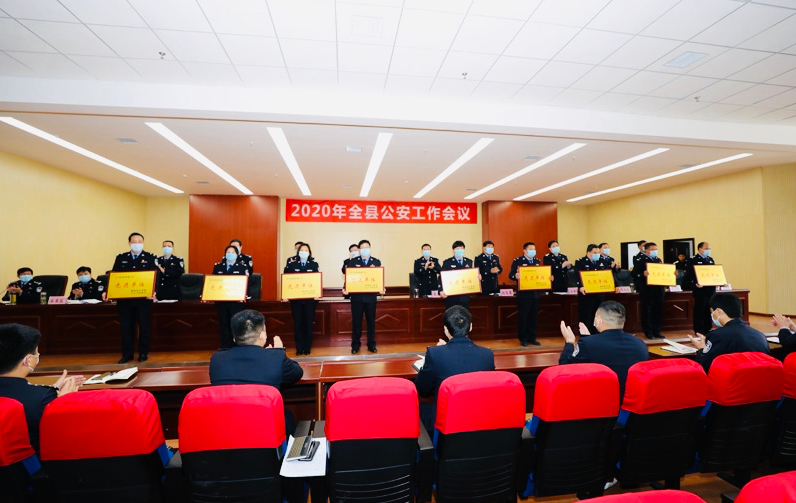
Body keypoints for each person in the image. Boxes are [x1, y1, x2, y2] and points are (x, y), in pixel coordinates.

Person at [209, 310, 303, 435]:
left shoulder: (216, 360)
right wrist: (279, 351)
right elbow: (297, 373)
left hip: (228, 431)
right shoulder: (275, 358)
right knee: (288, 416)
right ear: (263, 336)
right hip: (265, 433)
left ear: (234, 338)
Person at [0, 324, 85, 453]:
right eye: (36, 353)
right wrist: (62, 403)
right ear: (28, 360)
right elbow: (62, 438)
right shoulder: (43, 400)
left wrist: (52, 389)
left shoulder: (42, 396)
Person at [415, 306, 495, 434]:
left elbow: (422, 388)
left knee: (418, 407)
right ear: (471, 327)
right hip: (478, 423)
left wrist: (441, 351)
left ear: (445, 329)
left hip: (446, 427)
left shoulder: (435, 354)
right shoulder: (487, 355)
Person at [558, 301, 648, 398]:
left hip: (602, 402)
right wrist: (587, 338)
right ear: (623, 321)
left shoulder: (588, 344)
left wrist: (570, 342)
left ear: (598, 320)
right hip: (633, 401)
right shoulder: (640, 344)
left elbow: (565, 367)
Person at [687, 293, 770, 373]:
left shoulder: (717, 336)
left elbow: (704, 365)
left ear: (719, 312)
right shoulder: (760, 335)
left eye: (712, 312)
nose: (711, 315)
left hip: (732, 381)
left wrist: (702, 349)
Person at [108, 233, 159, 363]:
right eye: (134, 242)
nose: (137, 244)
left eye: (140, 241)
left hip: (143, 300)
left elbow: (156, 277)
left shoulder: (150, 257)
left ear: (143, 243)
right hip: (125, 301)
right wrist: (109, 292)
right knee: (126, 328)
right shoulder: (121, 258)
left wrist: (154, 292)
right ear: (129, 243)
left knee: (144, 327)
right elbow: (114, 276)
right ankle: (127, 354)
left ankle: (143, 353)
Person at [342, 239, 383, 354]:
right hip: (357, 297)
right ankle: (355, 345)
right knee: (356, 322)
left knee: (371, 322)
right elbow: (348, 276)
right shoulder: (353, 261)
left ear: (370, 248)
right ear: (359, 250)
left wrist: (381, 287)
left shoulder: (376, 262)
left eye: (367, 247)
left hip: (371, 297)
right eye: (363, 248)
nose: (365, 249)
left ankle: (371, 344)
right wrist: (346, 288)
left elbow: (378, 278)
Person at [509, 242, 550, 346]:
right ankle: (523, 338)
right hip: (523, 295)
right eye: (531, 249)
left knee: (533, 317)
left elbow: (540, 275)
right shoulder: (518, 261)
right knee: (523, 317)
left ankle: (532, 338)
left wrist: (548, 278)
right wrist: (515, 276)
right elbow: (511, 275)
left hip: (535, 294)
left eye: (534, 249)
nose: (533, 251)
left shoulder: (537, 261)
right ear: (525, 250)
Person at [284, 243, 320, 355]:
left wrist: (317, 293)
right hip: (296, 301)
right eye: (302, 250)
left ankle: (307, 348)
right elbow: (287, 280)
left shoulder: (314, 265)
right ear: (298, 252)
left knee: (308, 324)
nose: (304, 252)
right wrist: (285, 294)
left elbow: (317, 280)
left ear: (309, 253)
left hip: (310, 301)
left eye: (306, 250)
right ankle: (299, 348)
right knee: (298, 324)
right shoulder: (292, 265)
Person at [212, 245, 249, 349]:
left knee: (236, 324)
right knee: (224, 324)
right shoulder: (218, 267)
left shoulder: (242, 267)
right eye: (228, 252)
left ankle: (237, 347)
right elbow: (213, 282)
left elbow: (246, 283)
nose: (230, 254)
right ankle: (225, 347)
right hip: (222, 301)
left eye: (233, 252)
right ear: (225, 254)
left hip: (236, 302)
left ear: (237, 255)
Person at [632, 242, 665, 339]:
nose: (655, 251)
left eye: (656, 249)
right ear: (646, 250)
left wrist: (672, 273)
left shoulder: (658, 260)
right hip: (647, 290)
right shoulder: (640, 260)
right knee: (647, 312)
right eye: (652, 249)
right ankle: (648, 332)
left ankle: (656, 331)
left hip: (659, 289)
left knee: (657, 311)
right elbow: (634, 273)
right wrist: (643, 274)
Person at [575, 244, 610, 334]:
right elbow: (577, 276)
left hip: (599, 294)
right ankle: (585, 335)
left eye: (598, 252)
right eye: (594, 252)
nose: (597, 254)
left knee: (598, 315)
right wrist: (580, 287)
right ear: (588, 252)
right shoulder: (580, 262)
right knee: (586, 315)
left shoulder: (602, 261)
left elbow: (607, 275)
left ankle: (596, 334)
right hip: (586, 294)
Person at [683, 242, 717, 336]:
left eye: (709, 248)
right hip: (700, 290)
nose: (708, 250)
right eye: (706, 248)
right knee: (700, 310)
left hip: (710, 290)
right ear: (700, 249)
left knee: (708, 310)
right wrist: (694, 284)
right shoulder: (693, 259)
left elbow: (714, 273)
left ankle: (708, 328)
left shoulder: (710, 259)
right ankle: (698, 330)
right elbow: (688, 276)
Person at [441, 240, 475, 310]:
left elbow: (471, 276)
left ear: (464, 249)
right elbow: (441, 277)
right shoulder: (447, 262)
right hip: (451, 297)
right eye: (457, 249)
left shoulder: (469, 261)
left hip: (465, 297)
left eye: (461, 249)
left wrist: (477, 277)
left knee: (464, 315)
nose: (459, 250)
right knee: (451, 315)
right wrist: (441, 290)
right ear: (453, 250)